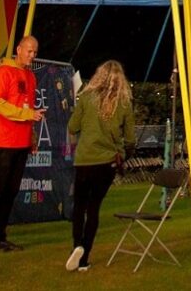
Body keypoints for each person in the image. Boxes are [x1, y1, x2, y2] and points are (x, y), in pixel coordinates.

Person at [64, 59, 134, 272]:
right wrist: (125, 153)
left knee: (79, 207)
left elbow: (73, 126)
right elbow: (130, 138)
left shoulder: (86, 97)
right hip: (107, 163)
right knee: (94, 208)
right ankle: (84, 256)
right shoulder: (124, 103)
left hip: (85, 159)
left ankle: (77, 245)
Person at [0, 35, 44, 252]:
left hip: (21, 141)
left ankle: (0, 235)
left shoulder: (30, 76)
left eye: (35, 52)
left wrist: (32, 137)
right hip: (4, 140)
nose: (32, 55)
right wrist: (25, 114)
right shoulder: (4, 72)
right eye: (29, 50)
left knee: (11, 191)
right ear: (18, 49)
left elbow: (29, 108)